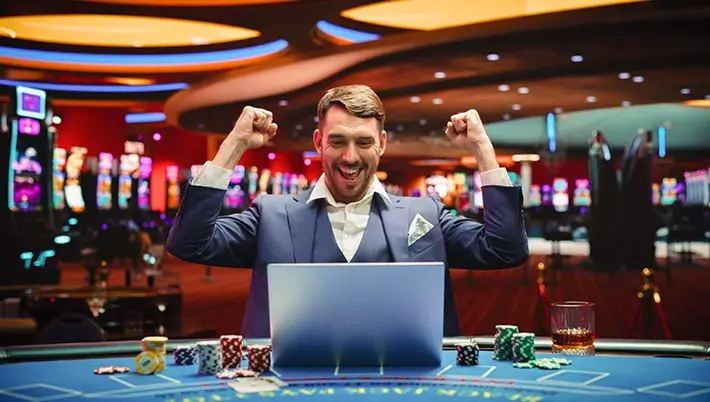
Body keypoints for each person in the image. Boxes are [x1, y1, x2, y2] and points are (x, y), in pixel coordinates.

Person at [167, 85, 529, 338]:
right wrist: (234, 145)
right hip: (288, 389)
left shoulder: (427, 213)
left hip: (407, 386)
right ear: (318, 142)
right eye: (337, 141)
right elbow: (190, 244)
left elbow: (505, 249)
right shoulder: (270, 214)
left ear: (382, 144)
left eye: (364, 142)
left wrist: (482, 147)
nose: (350, 157)